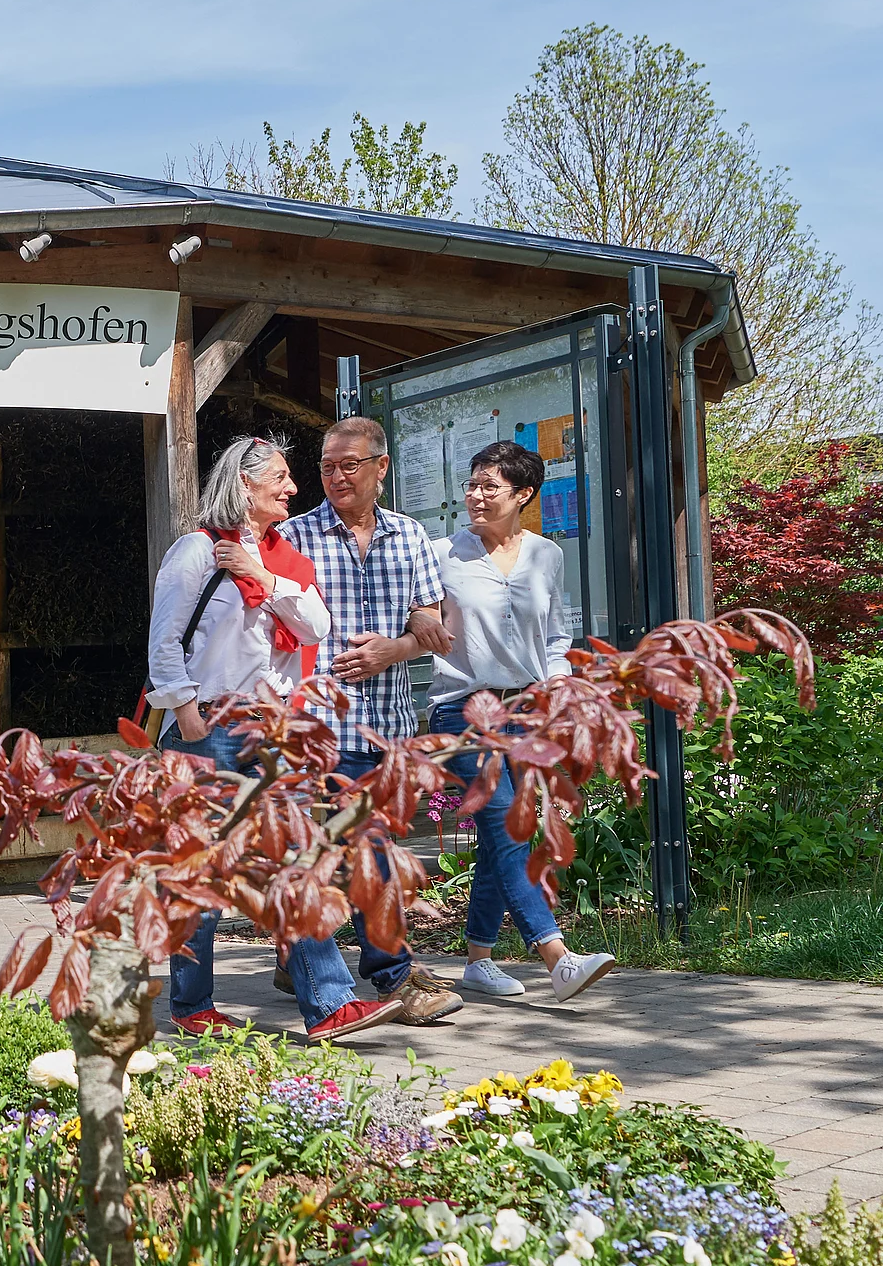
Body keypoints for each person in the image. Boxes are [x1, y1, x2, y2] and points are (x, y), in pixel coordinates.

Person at [147, 436, 397, 1045]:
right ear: (244, 483)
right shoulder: (197, 552)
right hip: (212, 727)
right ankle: (192, 1006)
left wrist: (262, 575)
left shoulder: (281, 556)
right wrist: (187, 712)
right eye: (281, 478)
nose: (292, 488)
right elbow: (163, 643)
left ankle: (329, 1006)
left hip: (273, 727)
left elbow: (316, 624)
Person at [279, 415, 465, 1027]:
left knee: (366, 848)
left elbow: (430, 628)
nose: (336, 476)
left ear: (381, 468)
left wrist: (395, 649)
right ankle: (394, 975)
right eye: (328, 465)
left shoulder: (411, 537)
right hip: (312, 726)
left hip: (383, 725)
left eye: (349, 464)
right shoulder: (294, 538)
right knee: (347, 852)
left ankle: (313, 954)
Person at [428, 440, 617, 1004]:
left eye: (490, 487)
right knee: (508, 829)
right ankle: (556, 957)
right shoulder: (441, 553)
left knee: (498, 838)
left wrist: (557, 685)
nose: (475, 496)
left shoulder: (546, 555)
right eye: (472, 484)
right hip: (463, 708)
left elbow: (555, 635)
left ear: (523, 494)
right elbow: (420, 621)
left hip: (527, 709)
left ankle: (478, 959)